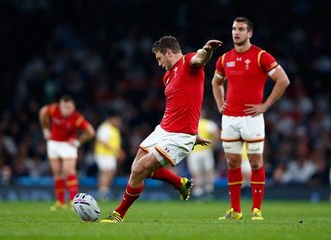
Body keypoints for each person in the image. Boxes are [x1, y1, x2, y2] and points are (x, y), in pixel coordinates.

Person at [101, 35, 222, 223]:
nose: (159, 63)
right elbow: (182, 104)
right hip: (163, 129)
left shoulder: (188, 62)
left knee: (139, 170)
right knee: (136, 169)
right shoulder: (167, 76)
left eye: (159, 58)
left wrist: (207, 50)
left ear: (168, 52)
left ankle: (119, 214)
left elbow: (200, 57)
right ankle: (179, 182)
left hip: (180, 136)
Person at [211, 17, 290, 220]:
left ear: (250, 33)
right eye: (234, 28)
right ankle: (236, 211)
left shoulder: (260, 56)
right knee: (232, 163)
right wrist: (220, 104)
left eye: (241, 29)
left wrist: (265, 105)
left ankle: (256, 209)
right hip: (229, 119)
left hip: (252, 118)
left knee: (255, 163)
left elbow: (283, 80)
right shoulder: (224, 58)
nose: (236, 32)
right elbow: (216, 82)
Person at [39, 95, 95, 211]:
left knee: (69, 170)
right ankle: (60, 202)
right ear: (60, 105)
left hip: (68, 145)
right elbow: (43, 111)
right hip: (53, 143)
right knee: (57, 173)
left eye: (69, 107)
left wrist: (78, 142)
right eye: (64, 107)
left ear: (73, 107)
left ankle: (73, 201)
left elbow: (91, 132)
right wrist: (45, 129)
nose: (66, 110)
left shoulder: (77, 117)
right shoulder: (54, 109)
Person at [186, 113, 220, 199]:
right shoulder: (208, 124)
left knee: (196, 172)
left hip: (194, 152)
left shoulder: (190, 123)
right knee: (208, 171)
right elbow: (217, 134)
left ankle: (198, 193)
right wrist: (213, 145)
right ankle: (209, 191)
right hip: (206, 150)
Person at [94, 111, 125, 201]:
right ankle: (102, 192)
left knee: (110, 171)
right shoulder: (105, 127)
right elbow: (101, 141)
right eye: (118, 120)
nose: (119, 123)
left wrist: (118, 151)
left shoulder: (114, 129)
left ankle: (104, 190)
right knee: (106, 171)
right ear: (112, 119)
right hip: (102, 154)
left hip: (110, 154)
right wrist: (115, 150)